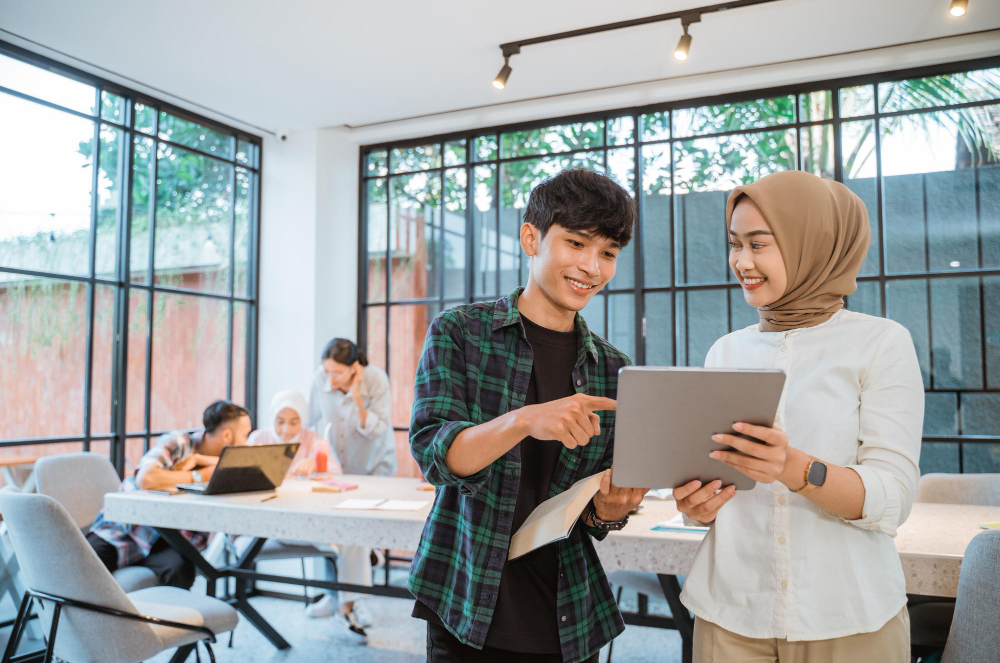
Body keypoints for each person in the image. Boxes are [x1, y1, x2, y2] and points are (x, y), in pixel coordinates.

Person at [674, 170, 924, 662]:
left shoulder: (880, 343)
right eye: (734, 244)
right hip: (730, 615)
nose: (741, 262)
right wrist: (696, 506)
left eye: (759, 245)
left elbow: (893, 499)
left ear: (815, 244)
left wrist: (794, 469)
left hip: (848, 616)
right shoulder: (725, 351)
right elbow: (712, 490)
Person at [408, 168, 649, 663]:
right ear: (531, 237)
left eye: (607, 253)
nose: (592, 267)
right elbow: (435, 453)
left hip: (568, 612)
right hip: (466, 596)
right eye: (577, 243)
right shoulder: (460, 333)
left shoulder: (613, 368)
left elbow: (593, 511)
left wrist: (611, 508)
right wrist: (524, 420)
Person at [87, 400, 252, 588]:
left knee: (180, 571)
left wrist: (201, 461)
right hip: (128, 527)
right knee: (84, 564)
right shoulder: (178, 443)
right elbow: (145, 478)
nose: (247, 442)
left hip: (173, 541)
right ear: (227, 435)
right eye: (245, 435)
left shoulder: (231, 463)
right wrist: (198, 475)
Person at [305, 338, 396, 642]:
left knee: (354, 533)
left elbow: (379, 429)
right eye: (326, 372)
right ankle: (337, 598)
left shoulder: (375, 380)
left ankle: (352, 601)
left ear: (355, 367)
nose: (330, 379)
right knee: (335, 532)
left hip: (373, 468)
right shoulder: (321, 379)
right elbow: (310, 421)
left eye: (337, 374)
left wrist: (357, 396)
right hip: (336, 469)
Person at [248, 389, 342, 476]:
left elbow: (337, 470)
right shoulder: (257, 439)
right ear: (272, 418)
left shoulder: (312, 438)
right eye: (280, 422)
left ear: (302, 420)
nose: (286, 430)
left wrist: (315, 463)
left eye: (293, 423)